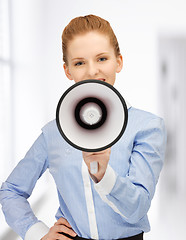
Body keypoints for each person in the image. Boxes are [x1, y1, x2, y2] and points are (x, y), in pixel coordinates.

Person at [0, 15, 166, 240]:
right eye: (79, 63)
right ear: (68, 70)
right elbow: (11, 191)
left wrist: (104, 176)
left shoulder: (147, 127)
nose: (92, 72)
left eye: (102, 58)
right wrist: (36, 233)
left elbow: (138, 208)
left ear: (119, 61)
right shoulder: (53, 134)